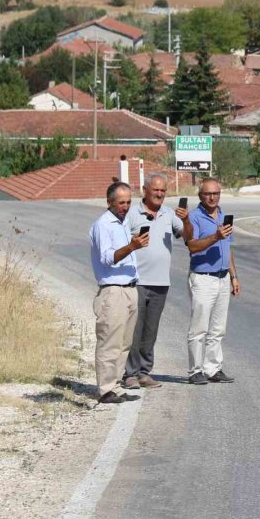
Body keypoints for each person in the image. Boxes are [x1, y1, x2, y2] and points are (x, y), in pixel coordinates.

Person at [123, 172, 192, 390]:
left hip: (161, 282)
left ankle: (144, 372)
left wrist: (186, 220)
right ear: (145, 190)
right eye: (156, 190)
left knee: (150, 331)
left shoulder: (169, 214)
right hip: (136, 281)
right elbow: (121, 241)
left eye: (163, 190)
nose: (160, 194)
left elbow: (188, 237)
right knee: (134, 330)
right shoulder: (132, 213)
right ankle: (130, 374)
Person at [89, 181, 148, 404]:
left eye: (128, 202)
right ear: (109, 202)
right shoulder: (103, 224)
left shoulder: (123, 223)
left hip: (130, 288)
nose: (125, 206)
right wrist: (132, 246)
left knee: (124, 343)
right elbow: (107, 258)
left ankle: (115, 385)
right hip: (113, 291)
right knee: (109, 342)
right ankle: (105, 389)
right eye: (121, 202)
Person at [185, 178, 241, 384]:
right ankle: (195, 371)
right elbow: (192, 246)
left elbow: (228, 248)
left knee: (218, 328)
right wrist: (215, 237)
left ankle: (213, 368)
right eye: (208, 194)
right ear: (200, 195)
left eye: (216, 193)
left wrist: (233, 276)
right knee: (199, 328)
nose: (212, 197)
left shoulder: (223, 216)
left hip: (223, 277)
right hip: (203, 278)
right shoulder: (193, 217)